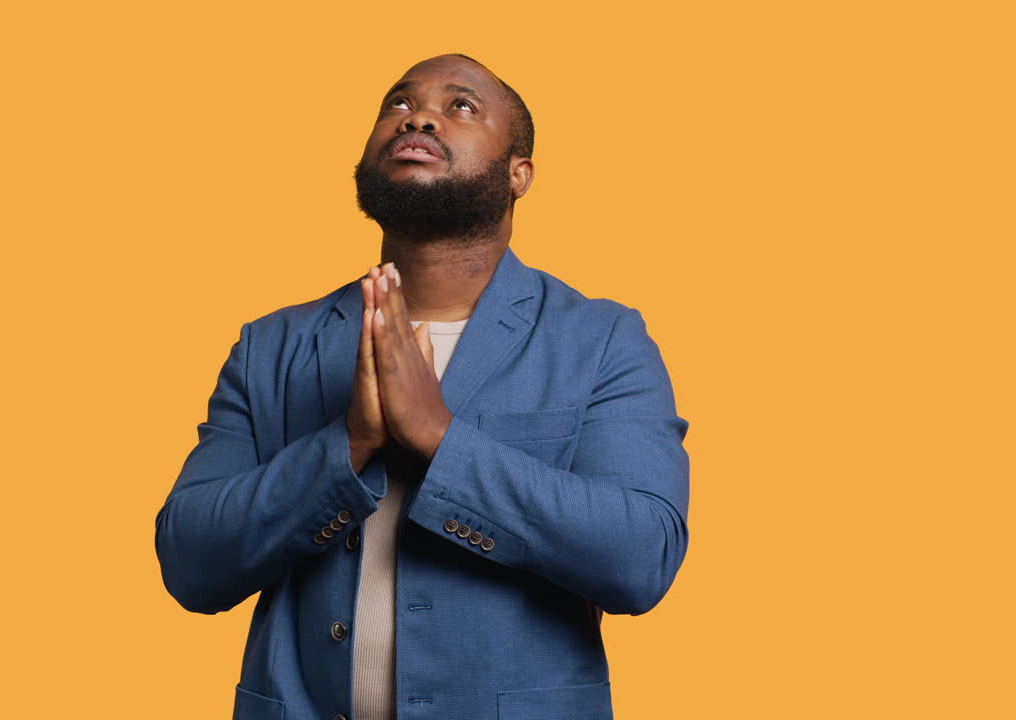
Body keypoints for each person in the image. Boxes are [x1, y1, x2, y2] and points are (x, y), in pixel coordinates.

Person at [154, 53, 691, 720]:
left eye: (461, 106)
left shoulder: (602, 340)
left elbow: (640, 559)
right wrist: (348, 444)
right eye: (397, 104)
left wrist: (438, 436)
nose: (421, 116)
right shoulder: (271, 346)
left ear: (518, 173)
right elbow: (189, 561)